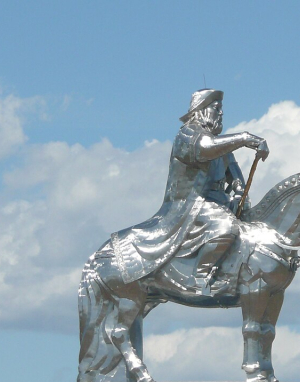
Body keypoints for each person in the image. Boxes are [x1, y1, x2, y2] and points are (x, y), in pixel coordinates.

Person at [108, 89, 268, 296]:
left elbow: (234, 173)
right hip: (192, 205)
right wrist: (246, 138)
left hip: (219, 204)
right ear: (201, 110)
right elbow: (206, 149)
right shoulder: (188, 135)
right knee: (226, 227)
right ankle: (200, 277)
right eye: (216, 109)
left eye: (222, 110)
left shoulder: (221, 144)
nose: (221, 114)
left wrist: (239, 191)